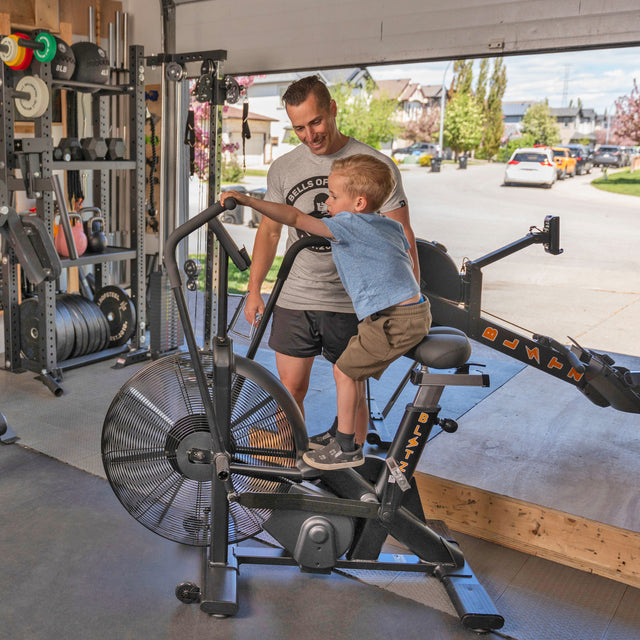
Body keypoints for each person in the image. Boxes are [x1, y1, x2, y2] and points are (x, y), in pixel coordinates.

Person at [221, 154, 431, 469]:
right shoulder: (387, 224)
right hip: (410, 312)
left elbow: (292, 218)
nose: (327, 202)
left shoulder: (348, 225)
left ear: (359, 203)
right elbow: (404, 258)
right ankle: (341, 433)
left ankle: (346, 447)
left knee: (344, 371)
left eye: (333, 196)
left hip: (394, 320)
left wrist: (248, 201)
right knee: (352, 371)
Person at [242, 75, 419, 447]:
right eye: (299, 128)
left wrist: (410, 303)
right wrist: (254, 289)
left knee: (352, 384)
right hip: (296, 295)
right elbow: (271, 232)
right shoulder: (283, 168)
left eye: (316, 122)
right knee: (289, 388)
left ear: (333, 109)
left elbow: (401, 239)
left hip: (351, 301)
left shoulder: (375, 165)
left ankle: (351, 467)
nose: (310, 135)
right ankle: (292, 461)